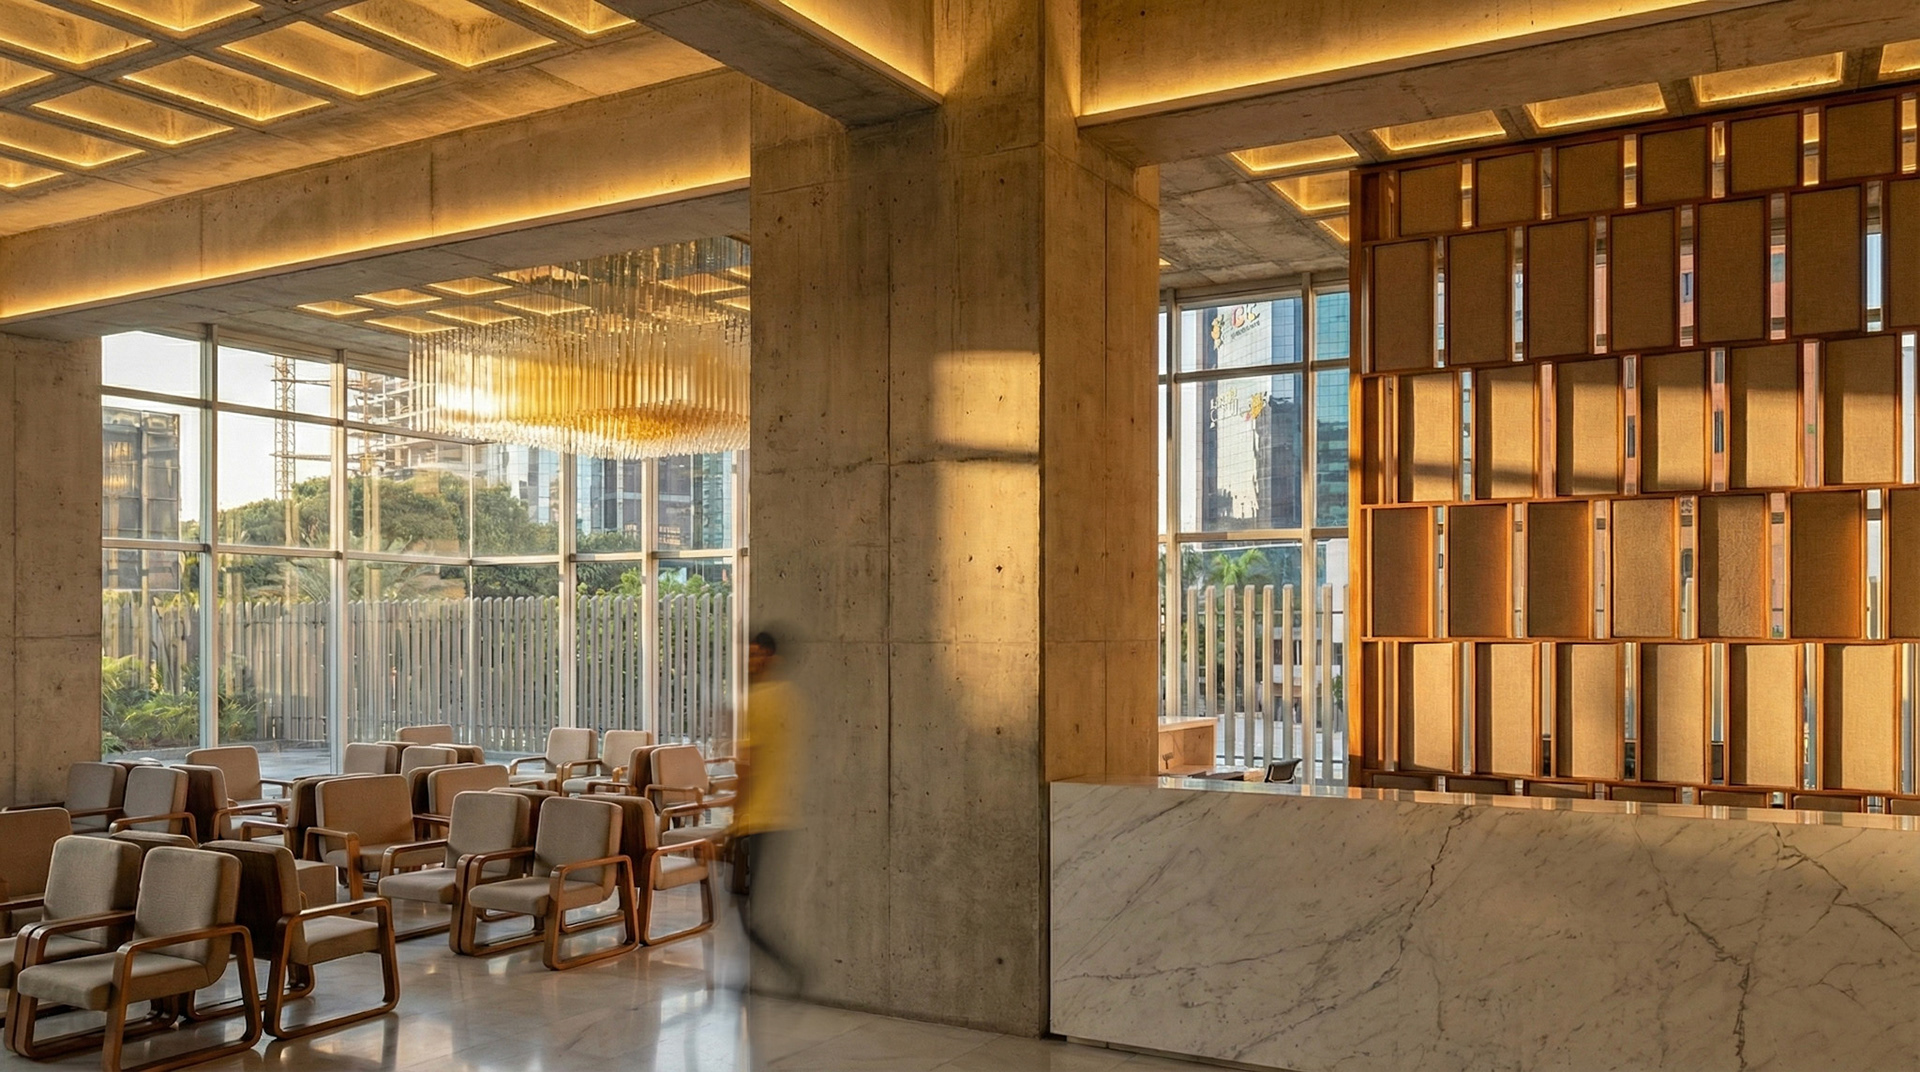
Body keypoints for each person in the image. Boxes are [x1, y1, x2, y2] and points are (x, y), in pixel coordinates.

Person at [732, 629, 802, 988]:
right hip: (785, 816)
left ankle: (789, 972)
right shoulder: (793, 697)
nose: (751, 662)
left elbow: (747, 765)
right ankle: (760, 977)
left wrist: (733, 817)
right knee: (758, 904)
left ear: (772, 658)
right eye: (748, 655)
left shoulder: (757, 700)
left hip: (757, 820)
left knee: (745, 906)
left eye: (757, 655)